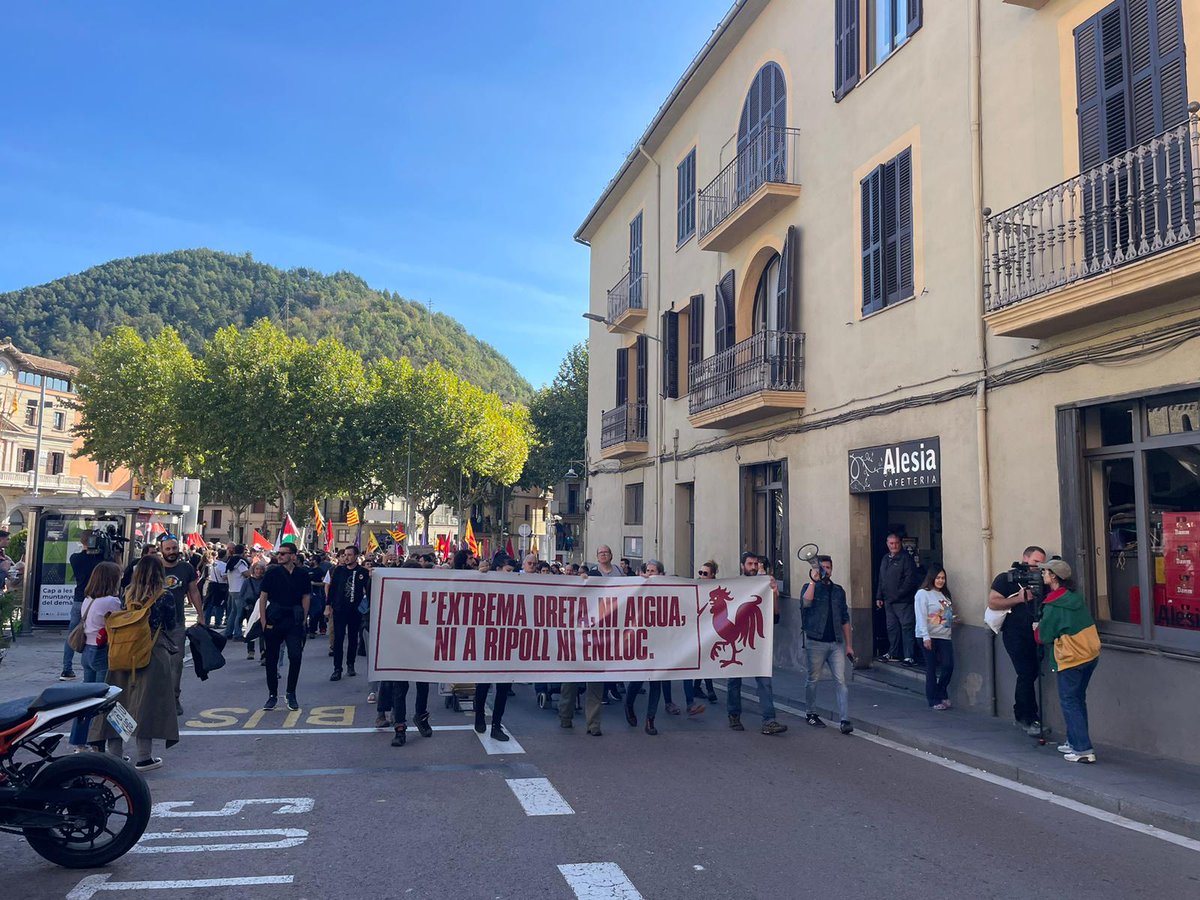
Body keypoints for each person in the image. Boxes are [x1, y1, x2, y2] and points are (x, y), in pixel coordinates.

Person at [90, 555, 179, 771]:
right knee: (146, 705)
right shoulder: (164, 596)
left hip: (123, 653)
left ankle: (116, 756)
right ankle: (144, 757)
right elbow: (171, 624)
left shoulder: (127, 592)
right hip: (152, 653)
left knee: (120, 704)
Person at [1034, 559, 1100, 763]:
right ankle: (1074, 741)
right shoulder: (1075, 598)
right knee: (1078, 699)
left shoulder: (1053, 605)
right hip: (1090, 655)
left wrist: (1037, 627)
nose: (1043, 574)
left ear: (1053, 576)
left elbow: (1042, 637)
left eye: (1045, 571)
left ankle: (1083, 750)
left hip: (1071, 659)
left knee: (1070, 702)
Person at [989, 545, 1048, 736]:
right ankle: (1028, 718)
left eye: (1042, 563)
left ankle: (1022, 713)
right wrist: (1020, 599)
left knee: (1031, 674)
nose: (1038, 566)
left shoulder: (1043, 579)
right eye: (1035, 562)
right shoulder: (1007, 578)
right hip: (1015, 634)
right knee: (1025, 672)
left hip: (1037, 634)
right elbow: (993, 602)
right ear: (1025, 558)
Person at [726, 553, 787, 735]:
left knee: (764, 682)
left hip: (758, 642)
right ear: (742, 566)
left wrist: (773, 593)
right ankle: (734, 714)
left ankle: (769, 720)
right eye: (750, 564)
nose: (753, 567)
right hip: (737, 640)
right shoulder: (736, 586)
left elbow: (775, 614)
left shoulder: (765, 584)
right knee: (734, 681)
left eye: (756, 564)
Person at [68, 561, 123, 750]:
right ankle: (98, 742)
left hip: (88, 650)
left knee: (87, 700)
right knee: (104, 700)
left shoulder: (88, 599)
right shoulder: (111, 601)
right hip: (102, 651)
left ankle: (79, 742)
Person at [801, 554, 854, 734]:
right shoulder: (809, 587)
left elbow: (845, 619)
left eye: (828, 568)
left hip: (836, 643)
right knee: (813, 679)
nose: (826, 571)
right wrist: (813, 582)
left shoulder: (838, 591)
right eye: (822, 568)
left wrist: (849, 645)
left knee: (841, 681)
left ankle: (845, 719)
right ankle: (810, 712)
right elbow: (806, 603)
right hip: (815, 641)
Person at [257, 542, 311, 711]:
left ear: (293, 556)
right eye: (278, 553)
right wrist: (264, 621)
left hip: (294, 620)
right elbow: (263, 597)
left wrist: (303, 617)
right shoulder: (272, 573)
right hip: (275, 618)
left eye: (283, 553)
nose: (279, 556)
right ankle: (272, 695)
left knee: (295, 656)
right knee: (271, 659)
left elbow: (306, 596)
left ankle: (291, 693)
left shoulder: (302, 574)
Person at [159, 536, 203, 714]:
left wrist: (201, 615)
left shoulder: (186, 568)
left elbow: (194, 591)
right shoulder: (154, 567)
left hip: (177, 623)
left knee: (176, 664)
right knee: (155, 664)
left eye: (174, 548)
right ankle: (155, 699)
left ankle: (174, 698)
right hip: (153, 625)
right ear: (162, 549)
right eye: (167, 549)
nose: (171, 552)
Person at [60, 531, 107, 681]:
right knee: (95, 633)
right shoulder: (100, 560)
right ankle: (92, 664)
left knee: (73, 633)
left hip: (79, 599)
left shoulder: (75, 558)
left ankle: (66, 668)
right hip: (96, 600)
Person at [875, 533, 921, 665]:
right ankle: (893, 653)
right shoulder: (885, 559)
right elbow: (881, 579)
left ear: (900, 543)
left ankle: (909, 656)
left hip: (903, 601)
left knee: (907, 627)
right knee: (892, 628)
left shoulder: (906, 559)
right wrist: (879, 596)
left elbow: (910, 580)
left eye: (896, 543)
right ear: (887, 544)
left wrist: (898, 594)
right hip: (888, 601)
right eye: (891, 543)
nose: (894, 546)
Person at [326, 546, 370, 680]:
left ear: (356, 556)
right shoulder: (338, 570)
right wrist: (328, 605)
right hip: (339, 610)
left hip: (355, 611)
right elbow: (332, 589)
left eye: (349, 555)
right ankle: (337, 669)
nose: (346, 558)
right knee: (338, 639)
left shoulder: (363, 572)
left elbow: (368, 590)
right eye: (345, 555)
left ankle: (350, 664)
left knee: (352, 639)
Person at [914, 566, 955, 710]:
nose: (941, 581)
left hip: (944, 636)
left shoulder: (945, 596)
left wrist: (952, 620)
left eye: (943, 578)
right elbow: (921, 616)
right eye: (938, 578)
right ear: (931, 578)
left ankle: (941, 691)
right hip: (928, 636)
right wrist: (925, 636)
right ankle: (933, 699)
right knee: (931, 668)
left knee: (948, 665)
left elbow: (943, 616)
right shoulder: (922, 594)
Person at [240, 561, 267, 659]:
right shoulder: (247, 581)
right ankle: (250, 650)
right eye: (257, 569)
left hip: (262, 607)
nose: (259, 571)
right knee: (251, 628)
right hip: (250, 607)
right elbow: (241, 595)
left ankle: (263, 653)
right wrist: (245, 606)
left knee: (262, 630)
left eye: (261, 569)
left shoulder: (265, 581)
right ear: (253, 570)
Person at [223, 544, 250, 639]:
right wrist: (253, 570)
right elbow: (245, 573)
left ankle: (228, 632)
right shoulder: (240, 562)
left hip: (232, 589)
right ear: (243, 552)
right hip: (239, 590)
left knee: (233, 612)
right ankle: (237, 634)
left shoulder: (230, 560)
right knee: (239, 613)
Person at [204, 548, 229, 629]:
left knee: (210, 604)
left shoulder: (214, 563)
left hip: (212, 584)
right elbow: (224, 577)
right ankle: (218, 623)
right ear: (225, 556)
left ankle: (206, 621)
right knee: (219, 605)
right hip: (220, 586)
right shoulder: (223, 565)